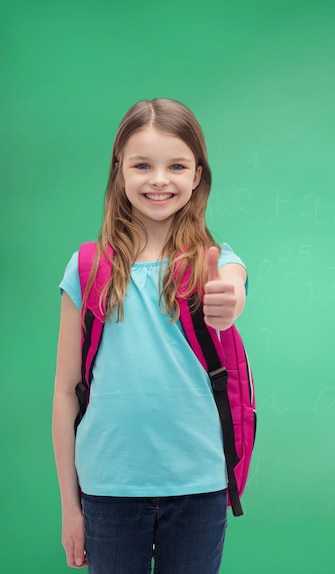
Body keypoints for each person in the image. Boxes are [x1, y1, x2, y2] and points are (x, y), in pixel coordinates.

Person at [52, 98, 248, 573]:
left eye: (176, 165)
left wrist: (231, 297)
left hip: (199, 485)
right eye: (142, 165)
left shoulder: (213, 264)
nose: (159, 180)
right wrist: (69, 507)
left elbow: (233, 284)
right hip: (107, 490)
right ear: (119, 171)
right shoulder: (86, 268)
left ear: (197, 175)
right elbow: (64, 392)